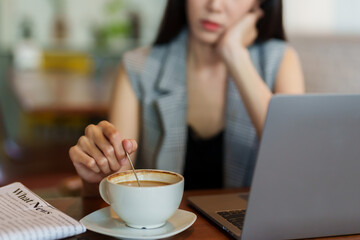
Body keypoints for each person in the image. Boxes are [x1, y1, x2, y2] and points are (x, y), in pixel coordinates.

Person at [69, 0, 305, 196]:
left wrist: (235, 54)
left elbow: (298, 161)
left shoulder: (281, 59)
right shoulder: (137, 67)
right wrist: (96, 174)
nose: (214, 5)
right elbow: (112, 185)